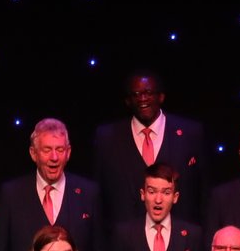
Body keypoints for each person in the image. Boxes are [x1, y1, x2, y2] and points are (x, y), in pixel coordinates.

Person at [0, 120, 102, 251]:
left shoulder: (89, 193)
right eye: (47, 150)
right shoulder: (12, 193)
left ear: (68, 153)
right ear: (33, 153)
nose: (54, 157)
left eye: (60, 150)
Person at [90, 72, 211, 222]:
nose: (142, 99)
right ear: (128, 101)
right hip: (124, 239)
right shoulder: (107, 137)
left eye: (148, 92)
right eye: (136, 94)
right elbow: (98, 194)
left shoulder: (191, 133)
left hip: (180, 237)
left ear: (161, 96)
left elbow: (204, 190)